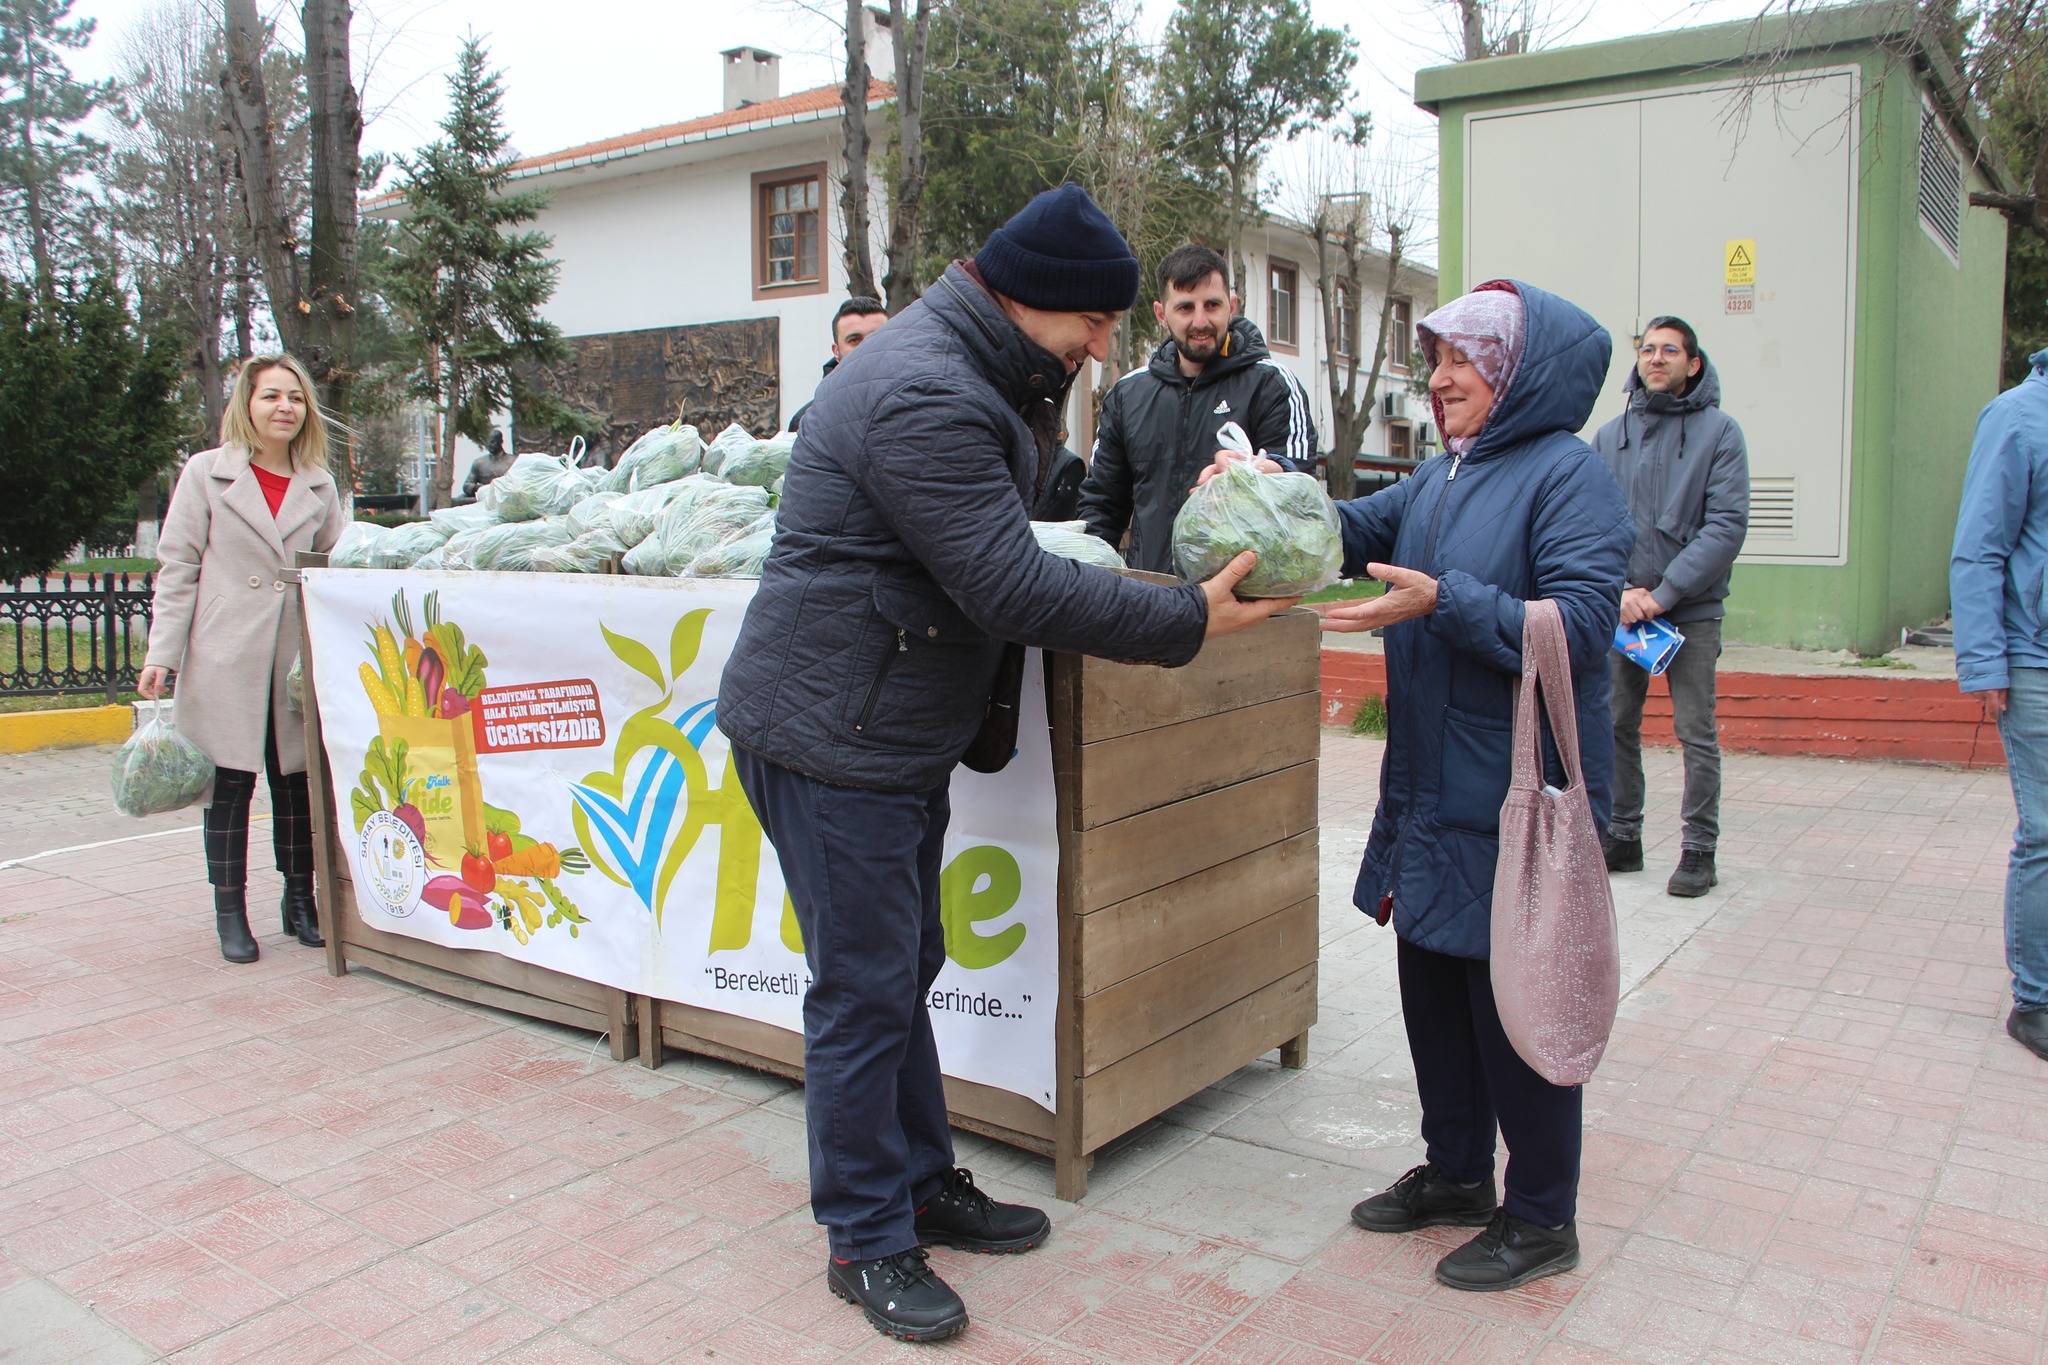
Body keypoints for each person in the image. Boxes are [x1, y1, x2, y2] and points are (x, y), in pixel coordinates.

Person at [717, 183, 1293, 1343]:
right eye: (1094, 324)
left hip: (882, 724)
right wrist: (1183, 617)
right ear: (1035, 303)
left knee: (902, 964)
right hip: (835, 735)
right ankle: (865, 1237)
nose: (1103, 347)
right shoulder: (926, 387)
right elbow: (1005, 584)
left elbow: (1027, 525)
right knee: (862, 989)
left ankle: (920, 1181)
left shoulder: (980, 368)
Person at [1296, 281, 1633, 1291]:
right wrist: (1265, 493)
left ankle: (1540, 1215)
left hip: (1516, 793)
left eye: (1461, 361)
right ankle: (1454, 1174)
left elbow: (1578, 629)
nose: (1436, 379)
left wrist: (1444, 603)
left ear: (1517, 373)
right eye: (1433, 359)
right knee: (1433, 985)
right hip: (1431, 785)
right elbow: (1351, 528)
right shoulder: (1441, 478)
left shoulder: (1568, 477)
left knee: (1516, 1005)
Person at [138, 354, 348, 964]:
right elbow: (178, 568)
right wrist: (163, 653)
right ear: (246, 405)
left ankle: (300, 902)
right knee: (227, 787)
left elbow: (334, 565)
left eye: (296, 398)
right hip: (224, 653)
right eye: (271, 396)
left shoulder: (318, 483)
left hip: (293, 656)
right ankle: (230, 912)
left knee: (297, 785)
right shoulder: (207, 473)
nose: (285, 407)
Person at [1592, 316, 1750, 897]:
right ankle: (1623, 836)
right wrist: (1622, 593)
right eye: (1648, 350)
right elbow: (1589, 523)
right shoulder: (1611, 436)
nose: (1656, 359)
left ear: (1693, 364)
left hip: (1689, 611)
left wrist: (1664, 594)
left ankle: (1698, 850)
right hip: (1625, 610)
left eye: (1670, 350)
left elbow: (1726, 526)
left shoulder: (1721, 434)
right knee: (1613, 724)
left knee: (1694, 731)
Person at [1076, 243, 1317, 571]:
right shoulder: (1127, 395)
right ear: (1162, 313)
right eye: (1186, 308)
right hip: (1149, 602)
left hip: (1240, 607)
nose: (1200, 321)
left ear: (1232, 306)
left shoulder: (1272, 385)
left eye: (1212, 305)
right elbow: (1100, 509)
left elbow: (1299, 495)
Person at [1951, 345, 2048, 1063]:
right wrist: (1985, 660)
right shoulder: (2017, 417)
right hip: (2035, 659)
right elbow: (1979, 547)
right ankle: (2037, 999)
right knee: (2046, 832)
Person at [788, 296, 890, 431]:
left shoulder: (920, 403)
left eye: (876, 337)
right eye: (855, 340)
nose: (867, 347)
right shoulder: (808, 421)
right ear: (836, 351)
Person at [461, 430, 515, 499]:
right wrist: (479, 488)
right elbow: (467, 485)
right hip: (484, 497)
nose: (489, 445)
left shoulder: (513, 461)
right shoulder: (479, 463)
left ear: (501, 442)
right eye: (487, 442)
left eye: (493, 442)